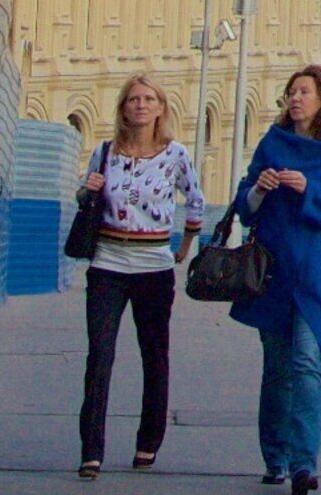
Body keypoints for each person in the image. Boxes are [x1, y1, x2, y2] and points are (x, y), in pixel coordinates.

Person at [231, 65, 321, 494]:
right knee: (276, 369)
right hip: (274, 272)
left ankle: (304, 464)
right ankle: (275, 457)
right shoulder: (273, 142)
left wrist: (309, 188)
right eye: (291, 92)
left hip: (320, 274)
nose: (295, 98)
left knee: (306, 362)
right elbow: (244, 205)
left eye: (304, 91)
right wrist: (260, 189)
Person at [75, 75, 203, 479]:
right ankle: (91, 451)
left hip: (153, 268)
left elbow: (195, 200)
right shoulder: (105, 152)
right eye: (133, 100)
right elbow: (84, 197)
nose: (141, 105)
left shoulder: (175, 154)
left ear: (161, 108)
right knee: (100, 356)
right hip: (107, 265)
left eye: (149, 99)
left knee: (154, 356)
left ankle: (148, 442)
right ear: (123, 109)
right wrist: (87, 189)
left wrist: (185, 245)